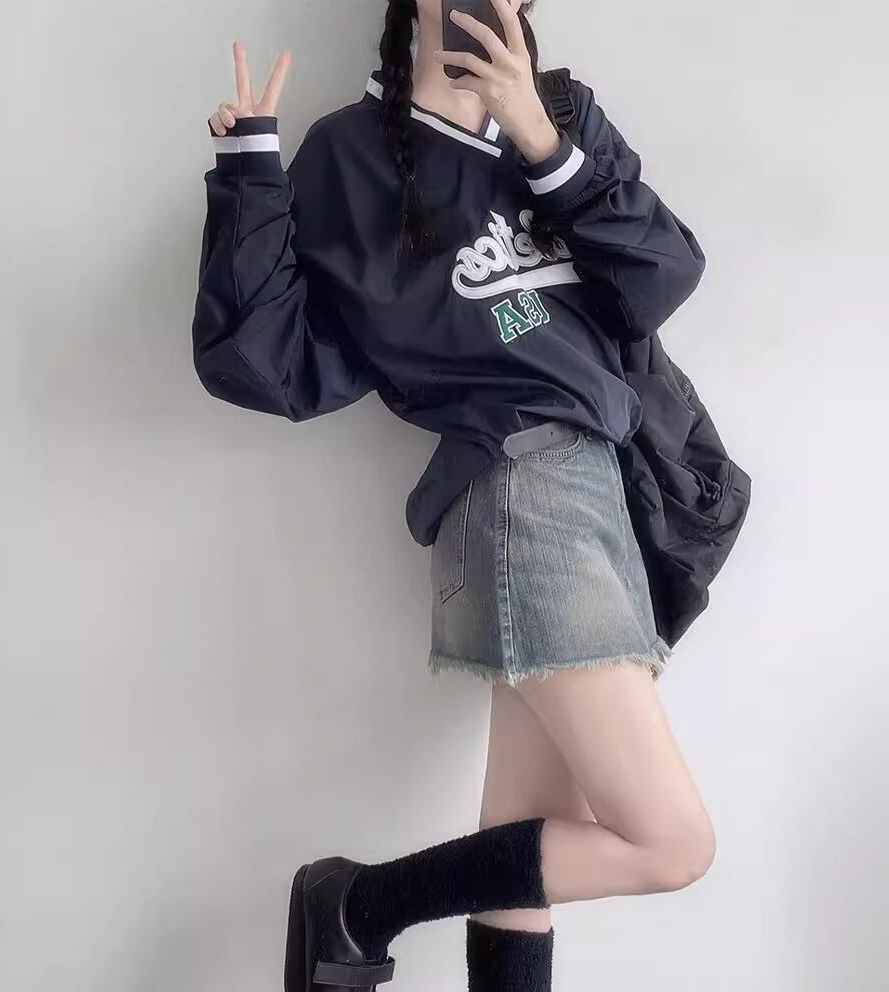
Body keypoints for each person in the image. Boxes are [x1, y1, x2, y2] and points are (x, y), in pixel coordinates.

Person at [193, 1, 714, 989]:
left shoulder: (563, 116)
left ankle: (356, 908)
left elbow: (661, 278)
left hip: (599, 489)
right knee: (672, 842)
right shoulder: (349, 157)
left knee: (523, 843)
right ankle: (357, 905)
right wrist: (250, 174)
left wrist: (541, 141)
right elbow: (271, 364)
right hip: (518, 494)